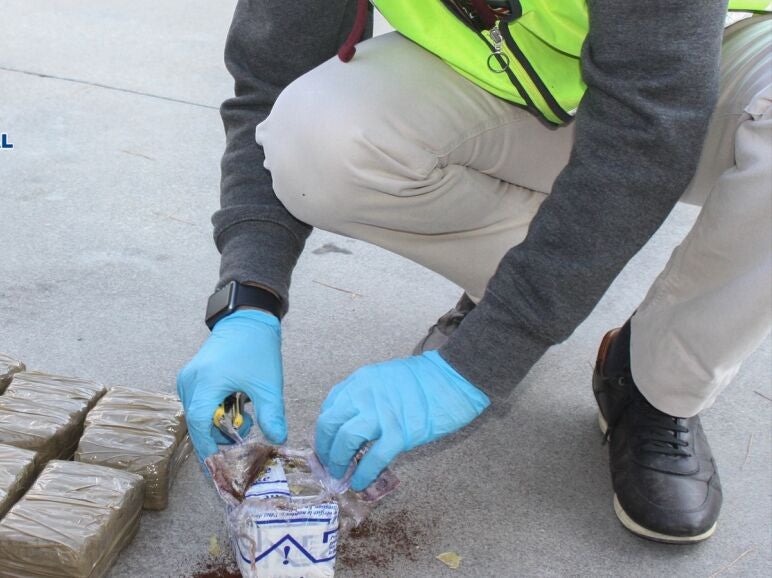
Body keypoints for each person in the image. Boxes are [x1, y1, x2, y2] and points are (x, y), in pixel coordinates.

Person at [177, 0, 771, 544]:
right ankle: (528, 277)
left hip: (715, 57)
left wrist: (483, 360)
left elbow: (654, 119)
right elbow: (270, 80)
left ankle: (658, 384)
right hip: (511, 76)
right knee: (315, 136)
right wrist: (246, 301)